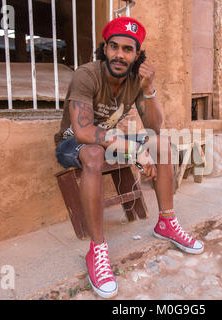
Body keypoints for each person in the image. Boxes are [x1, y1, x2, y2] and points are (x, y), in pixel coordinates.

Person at [54, 17, 204, 299]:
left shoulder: (136, 80)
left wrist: (148, 89)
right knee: (96, 153)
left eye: (127, 49)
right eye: (114, 47)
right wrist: (134, 150)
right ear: (105, 49)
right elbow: (84, 131)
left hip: (110, 141)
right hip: (73, 143)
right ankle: (97, 249)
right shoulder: (87, 75)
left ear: (137, 55)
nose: (119, 55)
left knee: (160, 143)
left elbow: (155, 127)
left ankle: (167, 223)